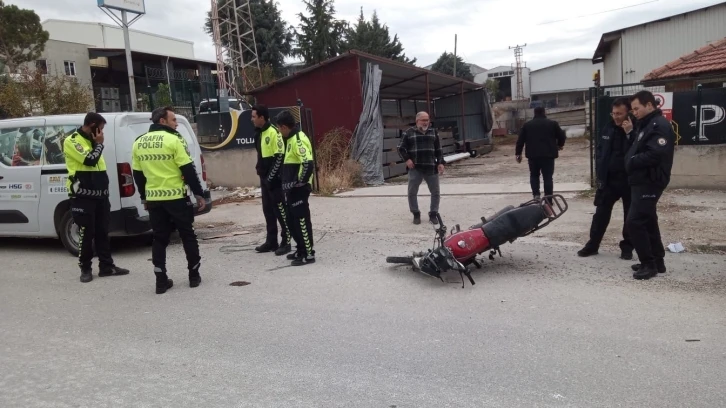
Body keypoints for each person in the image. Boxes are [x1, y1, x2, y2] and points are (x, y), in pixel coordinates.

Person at [131, 107, 207, 294]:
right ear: (162, 121)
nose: (176, 123)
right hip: (176, 198)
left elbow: (138, 175)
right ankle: (194, 276)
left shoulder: (138, 143)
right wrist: (199, 194)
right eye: (173, 120)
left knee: (159, 239)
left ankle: (161, 281)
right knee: (187, 235)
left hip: (154, 200)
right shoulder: (174, 140)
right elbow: (188, 170)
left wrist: (144, 197)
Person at [63, 112, 130, 283]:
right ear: (92, 124)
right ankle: (85, 268)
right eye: (100, 128)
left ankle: (106, 266)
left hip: (101, 195)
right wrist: (100, 144)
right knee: (86, 232)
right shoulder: (72, 140)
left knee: (103, 231)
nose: (101, 132)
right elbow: (90, 161)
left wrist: (97, 143)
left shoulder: (92, 141)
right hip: (82, 196)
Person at [622, 90, 675, 280]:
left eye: (637, 108)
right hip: (641, 180)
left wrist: (632, 161)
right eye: (633, 109)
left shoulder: (658, 125)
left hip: (650, 181)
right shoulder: (645, 124)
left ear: (649, 105)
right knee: (648, 220)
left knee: (635, 222)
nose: (634, 112)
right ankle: (657, 261)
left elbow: (656, 153)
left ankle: (648, 264)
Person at [578, 98, 635, 260]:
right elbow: (600, 153)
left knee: (629, 216)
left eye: (620, 114)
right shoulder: (607, 128)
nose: (616, 117)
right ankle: (593, 244)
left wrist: (630, 133)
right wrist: (599, 175)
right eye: (614, 113)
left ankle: (627, 247)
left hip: (629, 181)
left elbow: (638, 151)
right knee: (601, 214)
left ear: (628, 113)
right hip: (609, 180)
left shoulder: (636, 129)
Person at [275, 110, 316, 266]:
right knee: (292, 222)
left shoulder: (298, 139)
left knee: (301, 221)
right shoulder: (289, 139)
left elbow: (308, 163)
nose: (278, 131)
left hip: (299, 189)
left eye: (279, 128)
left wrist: (300, 183)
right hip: (290, 189)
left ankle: (308, 254)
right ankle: (300, 249)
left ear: (285, 127)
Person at [252, 104, 291, 256]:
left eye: (254, 116)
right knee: (268, 210)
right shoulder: (259, 133)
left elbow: (279, 156)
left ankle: (286, 241)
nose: (252, 119)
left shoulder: (274, 132)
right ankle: (271, 241)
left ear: (262, 117)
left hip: (274, 179)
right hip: (265, 178)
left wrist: (271, 176)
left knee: (280, 210)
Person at [397, 111, 445, 225]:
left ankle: (433, 214)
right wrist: (407, 159)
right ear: (417, 121)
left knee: (435, 192)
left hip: (431, 167)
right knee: (412, 192)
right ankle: (416, 213)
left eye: (427, 120)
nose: (426, 122)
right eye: (423, 120)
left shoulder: (434, 132)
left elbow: (439, 149)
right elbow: (400, 148)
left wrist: (441, 163)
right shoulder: (409, 133)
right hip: (415, 168)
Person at [515, 106, 566, 200]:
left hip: (533, 156)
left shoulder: (527, 125)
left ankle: (536, 195)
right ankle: (548, 199)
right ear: (544, 112)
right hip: (548, 156)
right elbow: (562, 135)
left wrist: (518, 154)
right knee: (548, 177)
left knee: (534, 175)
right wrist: (559, 145)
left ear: (534, 113)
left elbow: (520, 140)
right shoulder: (552, 124)